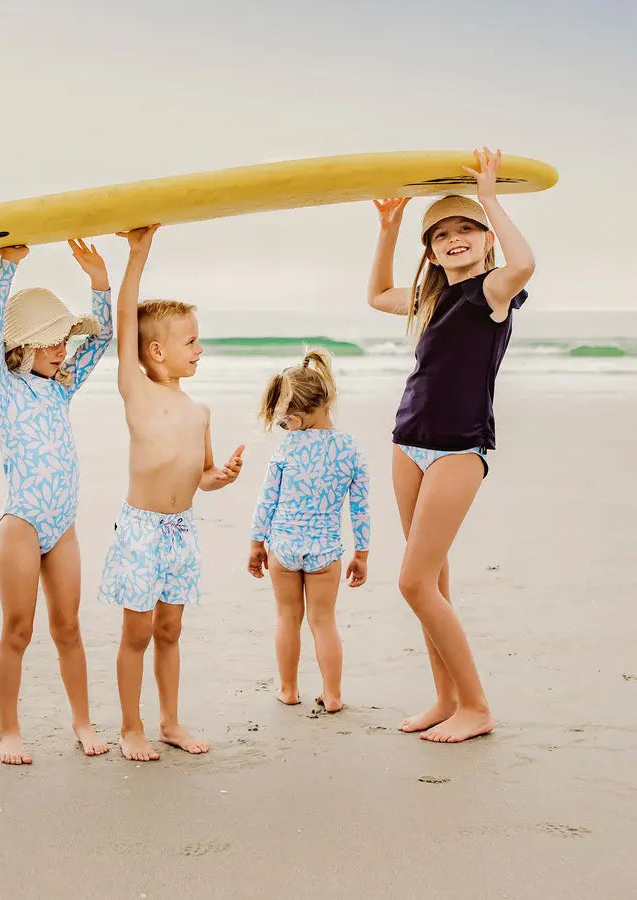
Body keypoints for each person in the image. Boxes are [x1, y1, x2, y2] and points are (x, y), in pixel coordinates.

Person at [367, 147, 534, 742]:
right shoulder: (433, 298)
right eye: (442, 234)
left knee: (412, 582)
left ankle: (477, 707)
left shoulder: (492, 292)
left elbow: (526, 263)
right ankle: (444, 699)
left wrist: (490, 198)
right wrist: (388, 230)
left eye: (467, 229)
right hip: (406, 441)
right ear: (431, 251)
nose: (455, 238)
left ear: (486, 241)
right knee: (433, 582)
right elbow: (378, 293)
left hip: (459, 451)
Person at [97, 225, 244, 762]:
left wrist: (219, 476)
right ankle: (130, 727)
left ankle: (170, 722)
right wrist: (138, 254)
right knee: (136, 632)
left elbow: (201, 475)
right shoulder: (137, 390)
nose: (199, 348)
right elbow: (125, 316)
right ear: (156, 350)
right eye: (191, 341)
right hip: (140, 529)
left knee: (171, 628)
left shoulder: (199, 410)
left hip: (181, 529)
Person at [0, 241, 113, 763]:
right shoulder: (1, 386)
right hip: (22, 525)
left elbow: (99, 344)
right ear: (23, 346)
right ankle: (8, 729)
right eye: (51, 341)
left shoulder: (60, 389)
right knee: (19, 629)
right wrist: (8, 264)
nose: (62, 349)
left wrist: (100, 283)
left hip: (63, 525)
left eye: (63, 339)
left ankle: (81, 721)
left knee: (69, 628)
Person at [248, 350, 369, 712]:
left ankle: (288, 689)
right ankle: (332, 695)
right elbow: (360, 507)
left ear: (299, 417)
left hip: (282, 546)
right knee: (323, 621)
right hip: (325, 550)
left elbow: (266, 500)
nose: (284, 427)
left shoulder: (287, 448)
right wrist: (361, 553)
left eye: (286, 420)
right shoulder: (349, 449)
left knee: (287, 617)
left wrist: (257, 543)